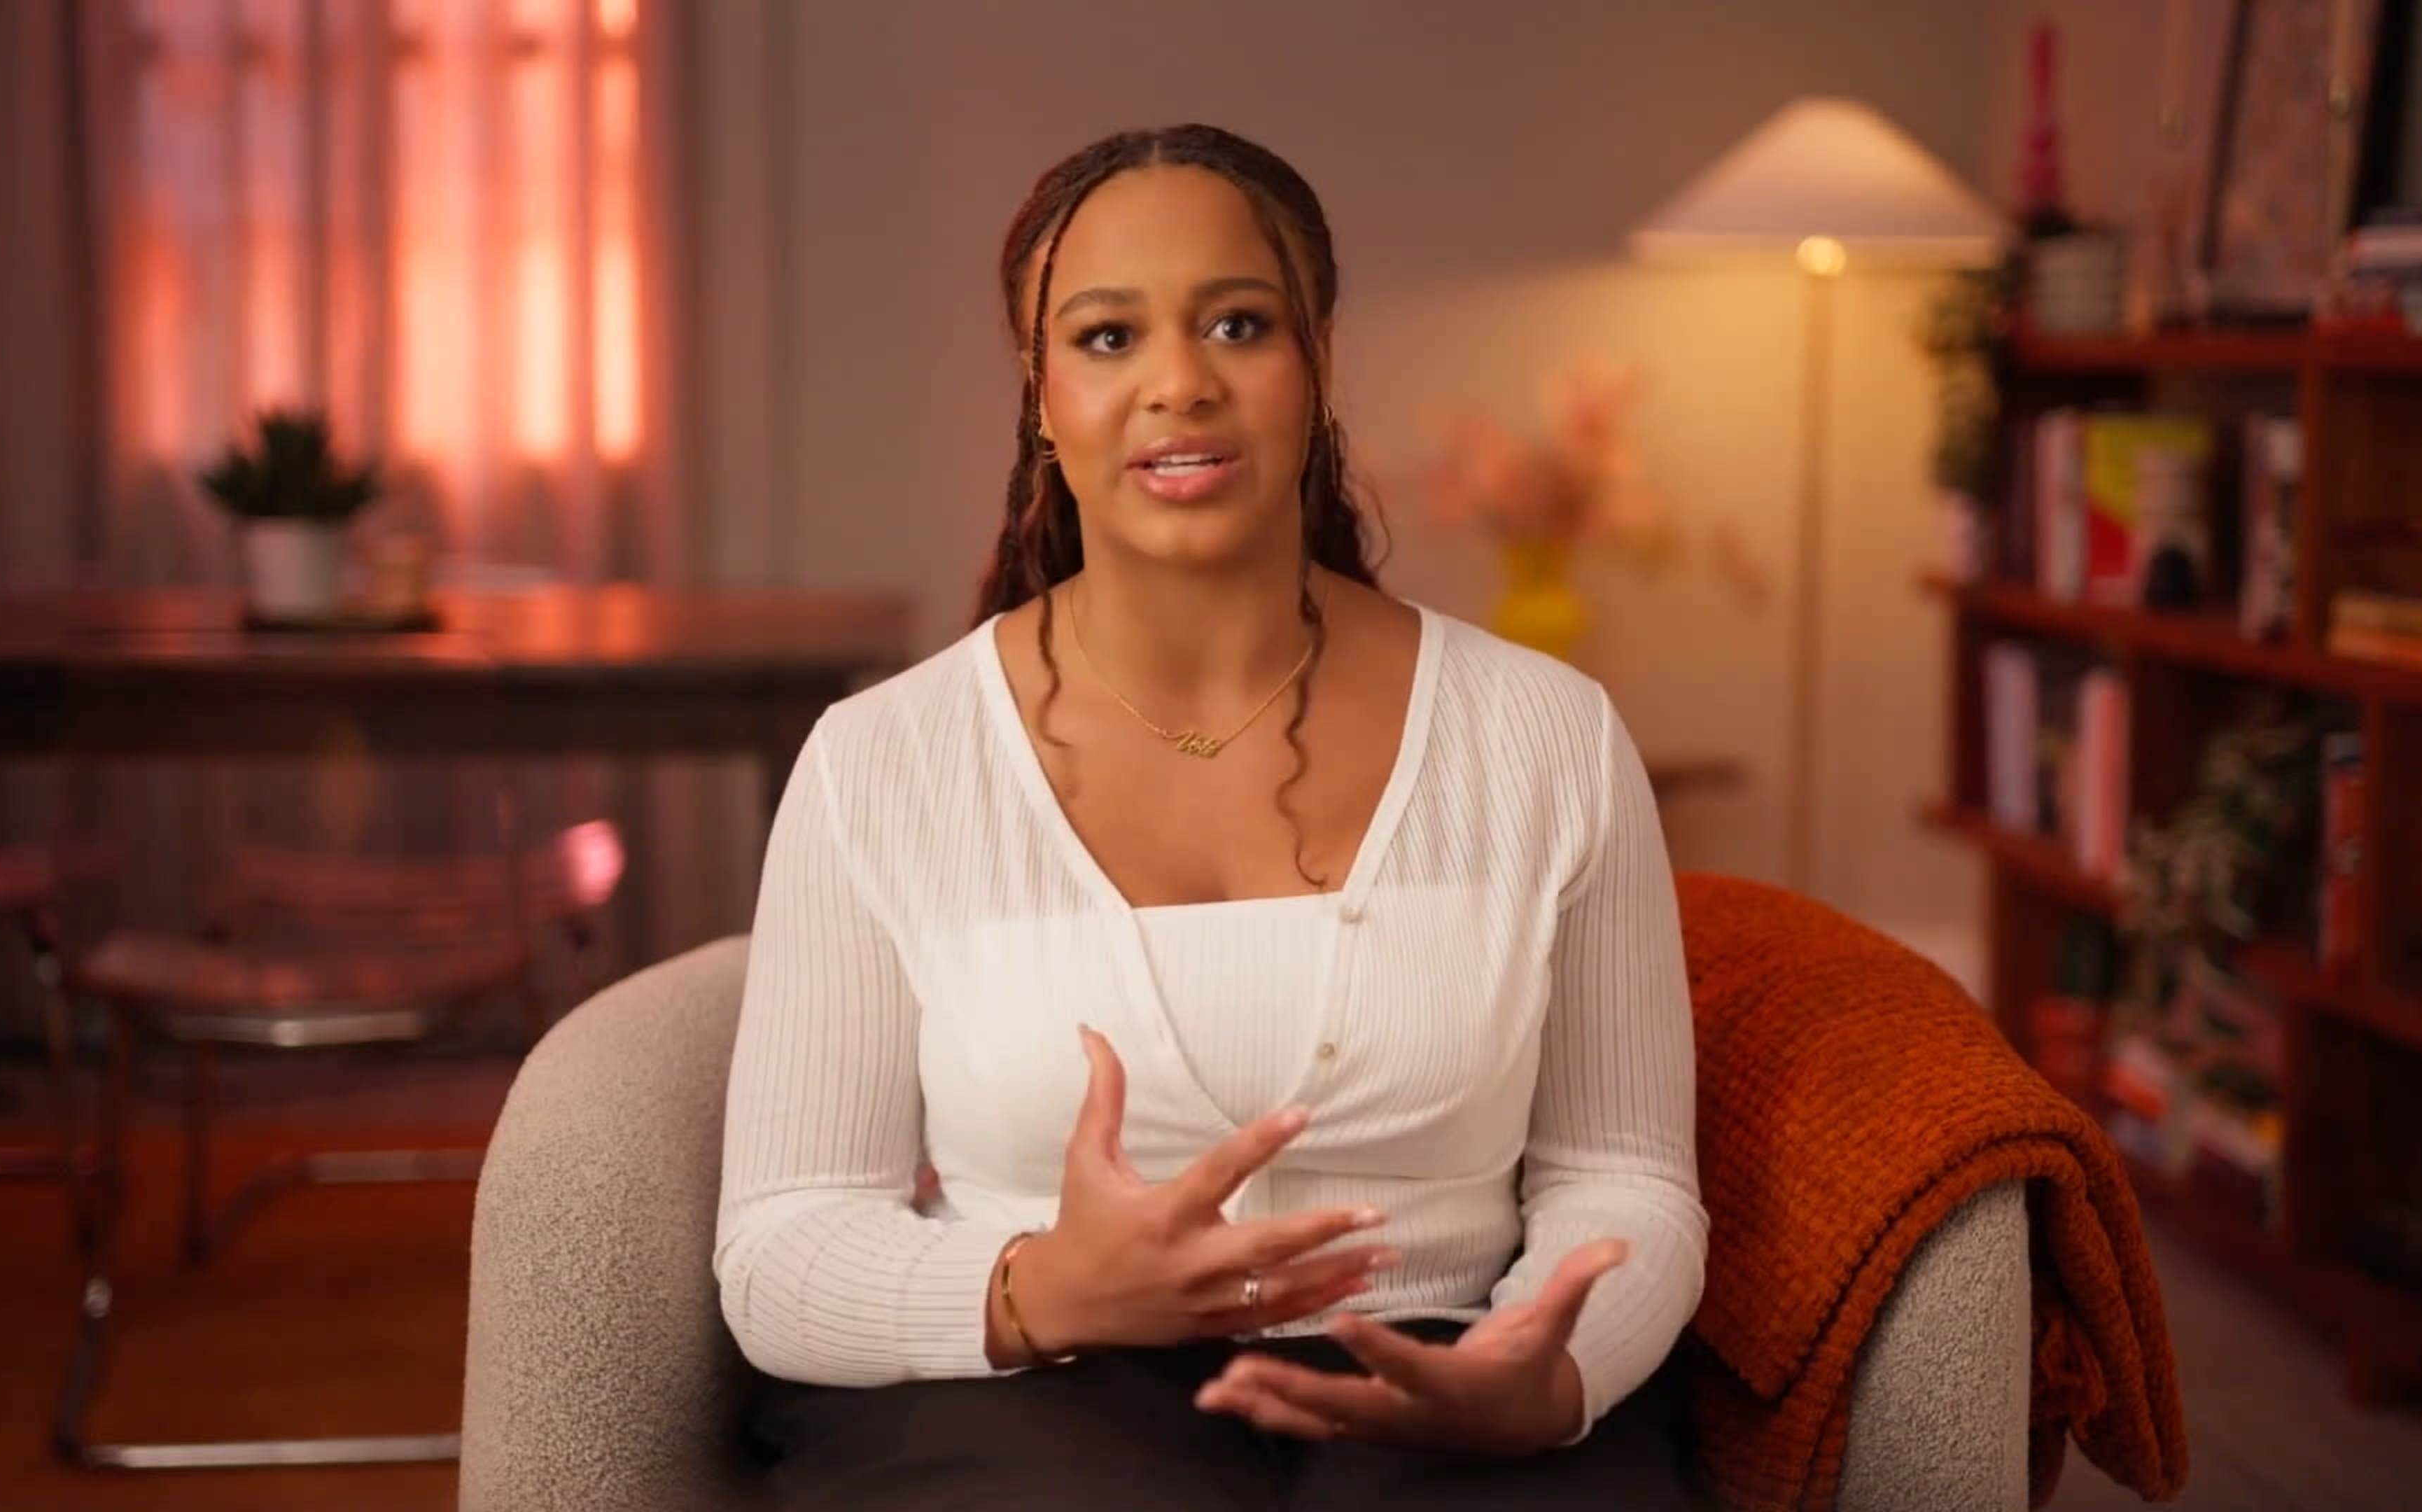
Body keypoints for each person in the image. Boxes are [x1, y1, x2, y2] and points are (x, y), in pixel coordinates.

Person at [715, 123, 1707, 1509]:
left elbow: (1625, 1176)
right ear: (1041, 393)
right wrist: (1042, 1287)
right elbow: (782, 1245)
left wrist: (1545, 1369)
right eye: (1109, 338)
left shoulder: (1544, 738)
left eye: (1239, 324)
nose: (1179, 385)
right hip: (1032, 1386)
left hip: (1446, 1379)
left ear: (1317, 364)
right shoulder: (883, 763)